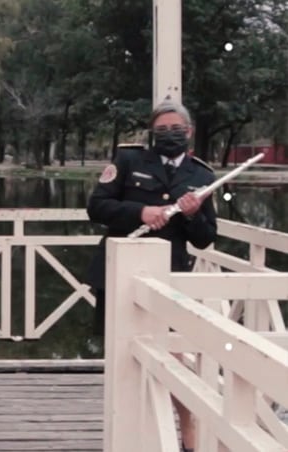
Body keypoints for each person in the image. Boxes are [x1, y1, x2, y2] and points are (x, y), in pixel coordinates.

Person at [86, 100, 217, 452]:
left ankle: (187, 436)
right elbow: (96, 207)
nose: (169, 136)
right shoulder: (129, 161)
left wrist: (191, 215)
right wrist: (141, 211)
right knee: (126, 359)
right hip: (121, 277)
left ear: (188, 133)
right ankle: (130, 437)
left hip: (170, 282)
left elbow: (205, 238)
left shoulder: (201, 176)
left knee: (172, 361)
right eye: (161, 130)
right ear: (151, 133)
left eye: (176, 130)